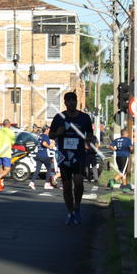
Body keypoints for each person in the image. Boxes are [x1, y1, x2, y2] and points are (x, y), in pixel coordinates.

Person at [49, 92, 94, 225]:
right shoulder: (59, 117)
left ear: (76, 101)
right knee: (67, 186)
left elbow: (90, 133)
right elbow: (51, 135)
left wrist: (87, 139)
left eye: (73, 100)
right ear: (65, 103)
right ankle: (70, 212)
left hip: (79, 154)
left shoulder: (84, 118)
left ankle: (77, 207)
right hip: (64, 156)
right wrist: (58, 133)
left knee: (79, 182)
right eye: (68, 101)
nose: (71, 103)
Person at [28, 125, 56, 190]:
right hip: (44, 155)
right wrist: (49, 146)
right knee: (49, 168)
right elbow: (44, 143)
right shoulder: (45, 136)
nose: (49, 131)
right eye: (49, 129)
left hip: (38, 155)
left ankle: (32, 182)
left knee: (37, 170)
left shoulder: (40, 136)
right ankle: (46, 184)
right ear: (46, 130)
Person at [0, 119, 15, 188]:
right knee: (7, 169)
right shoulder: (11, 132)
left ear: (3, 125)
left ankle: (0, 183)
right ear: (9, 125)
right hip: (6, 153)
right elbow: (13, 143)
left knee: (1, 169)